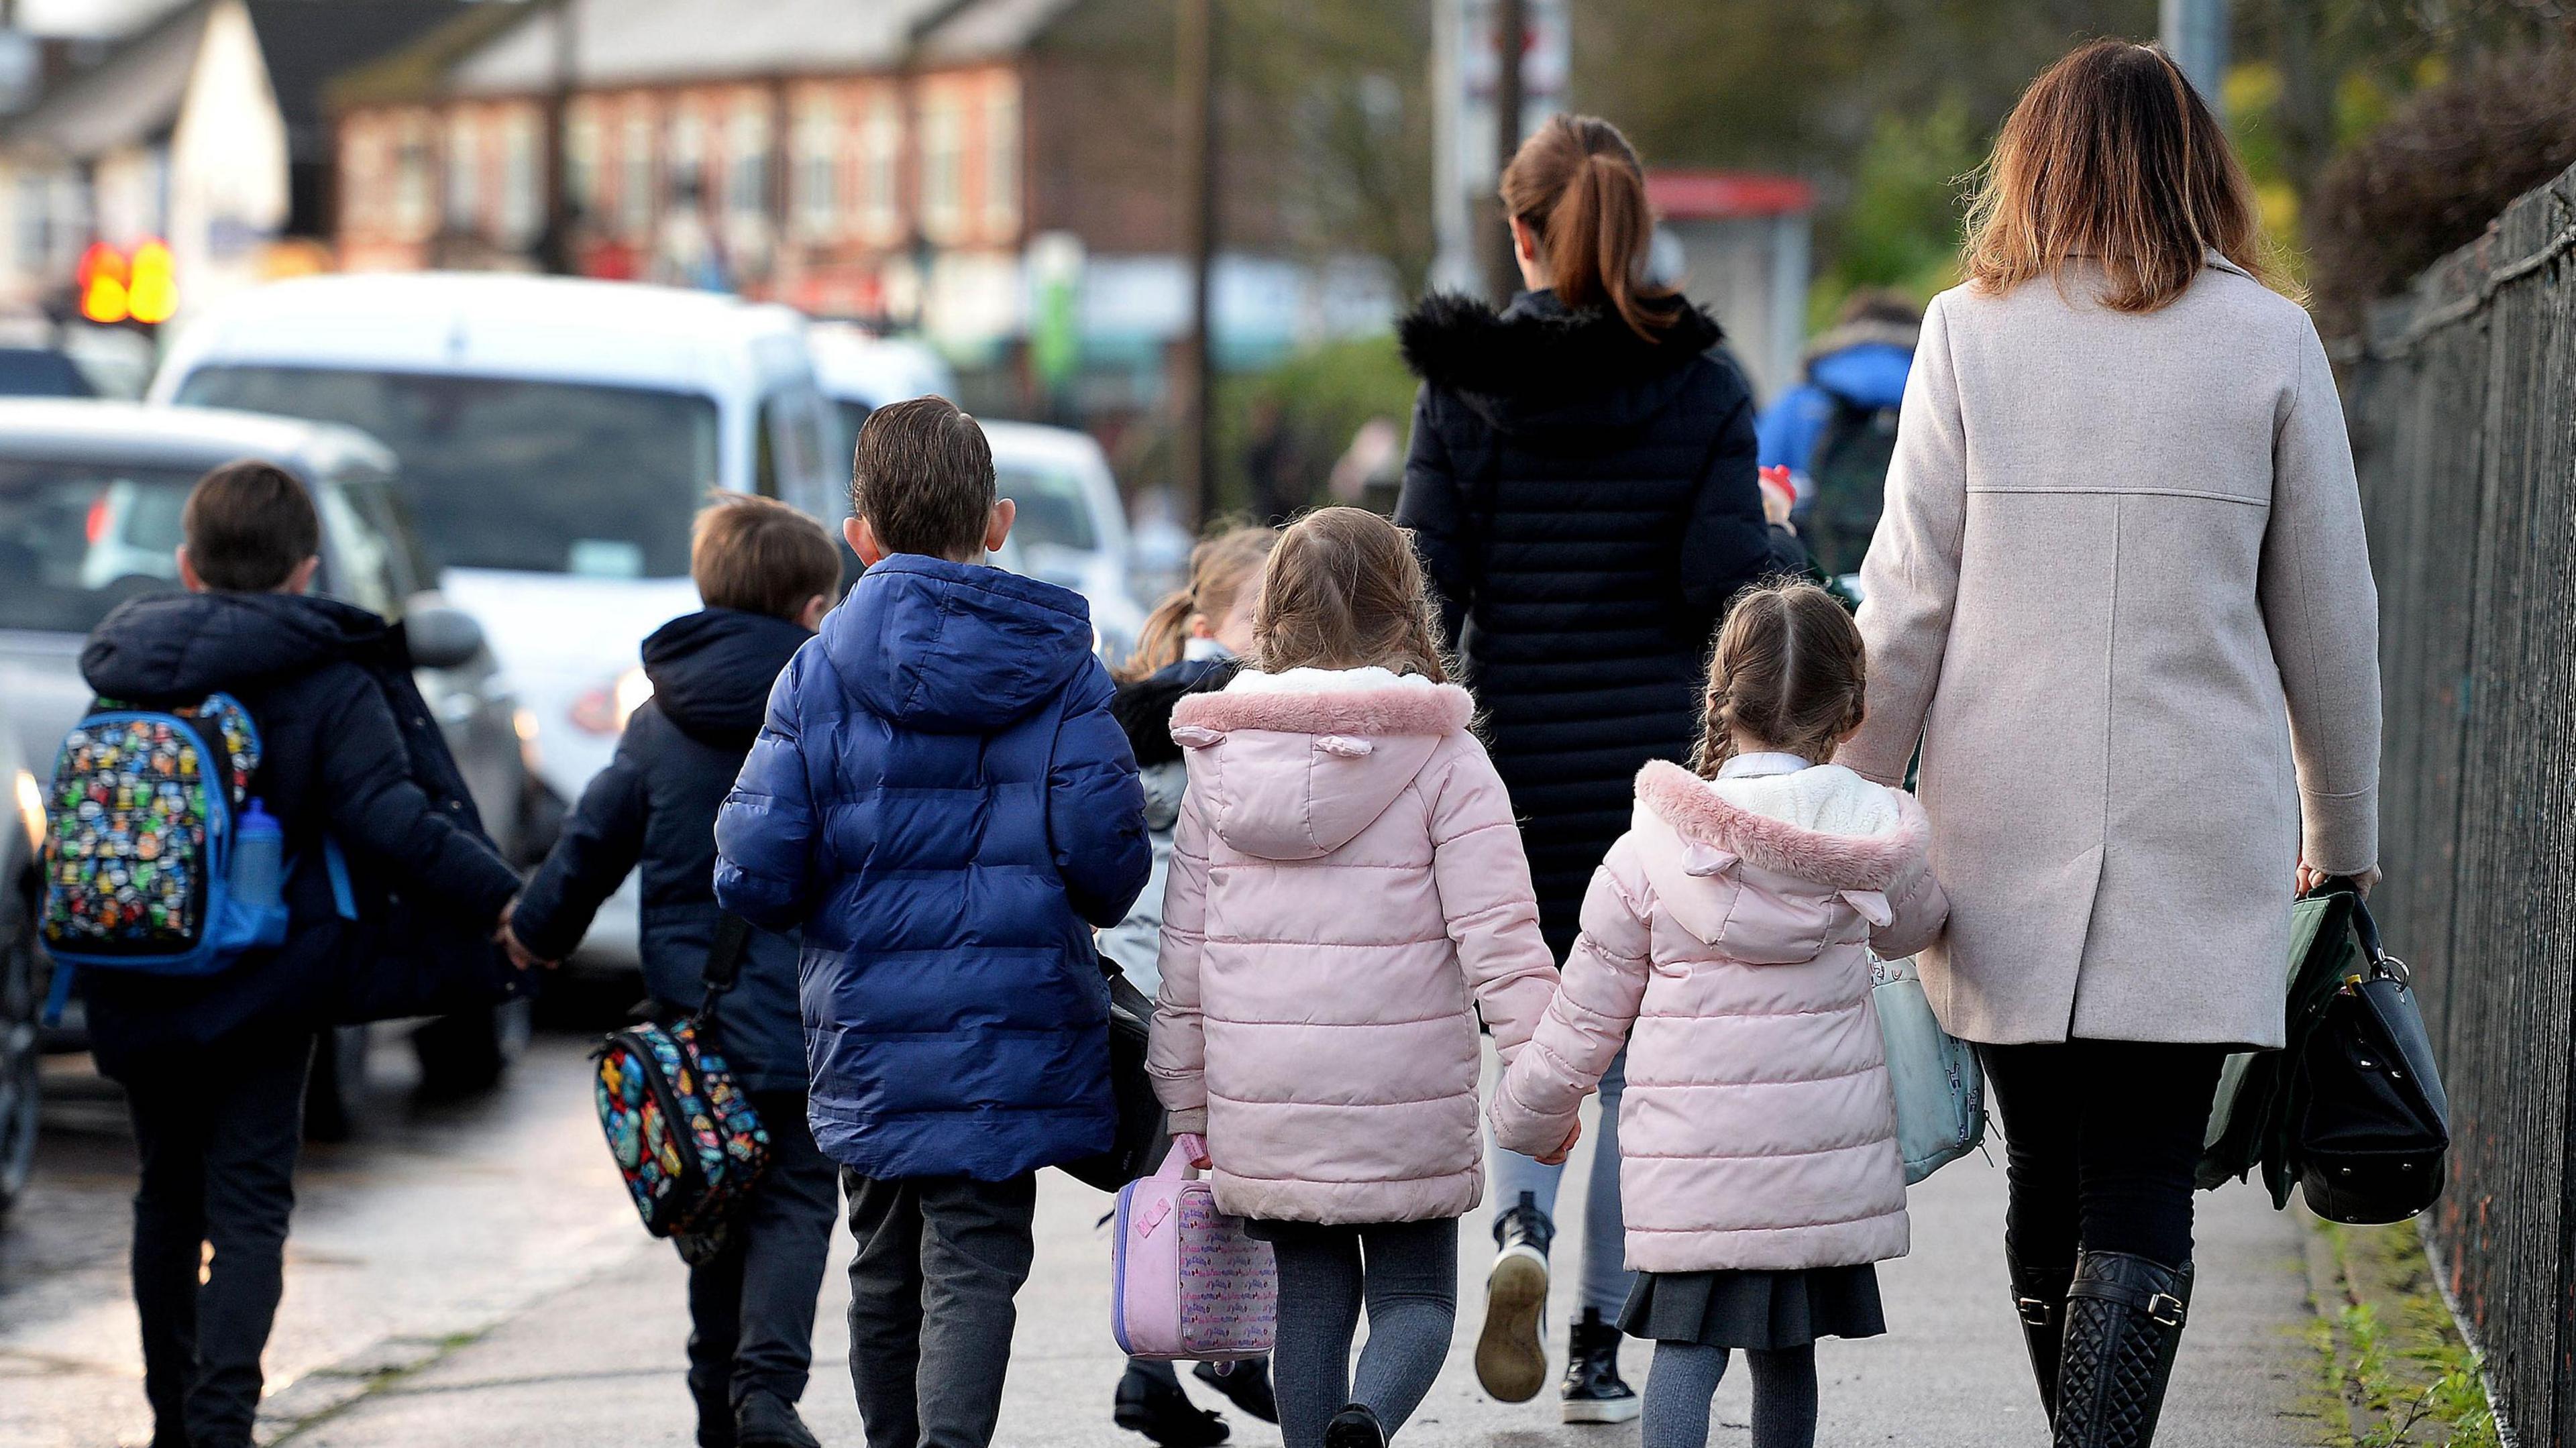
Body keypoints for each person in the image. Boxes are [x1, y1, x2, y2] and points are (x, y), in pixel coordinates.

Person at [1838, 41, 2383, 1447]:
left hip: (2001, 819)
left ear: (2034, 166)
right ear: (2201, 168)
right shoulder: (2271, 336)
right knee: (2143, 1178)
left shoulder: (1968, 330)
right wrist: (2345, 838)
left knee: (2049, 1182)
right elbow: (2329, 618)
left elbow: (1904, 604)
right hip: (2198, 822)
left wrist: (1840, 808)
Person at [1394, 112, 1801, 1421]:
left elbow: (1423, 581)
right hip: (1657, 780)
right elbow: (1717, 579)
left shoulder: (1464, 383)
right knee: (1639, 1067)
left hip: (1516, 773)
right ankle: (1596, 1341)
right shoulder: (1705, 382)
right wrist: (1783, 542)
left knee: (1538, 1025)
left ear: (1520, 232)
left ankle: (1519, 1222)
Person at [713, 395, 1150, 1448]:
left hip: (867, 1026)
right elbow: (1108, 866)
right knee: (976, 1263)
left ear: (858, 534)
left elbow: (754, 871)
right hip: (1012, 1028)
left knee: (881, 1257)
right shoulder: (1060, 672)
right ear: (997, 521)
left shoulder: (814, 674)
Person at [76, 461, 523, 1448]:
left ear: (187, 565)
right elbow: (390, 818)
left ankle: (168, 1420)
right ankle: (222, 1419)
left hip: (137, 964)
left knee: (166, 1188)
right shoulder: (325, 673)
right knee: (245, 1202)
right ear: (307, 569)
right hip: (268, 981)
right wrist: (507, 900)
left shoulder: (124, 663)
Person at [1493, 580, 1947, 1448]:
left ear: (1720, 695)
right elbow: (1922, 925)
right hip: (1817, 1160)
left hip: (1690, 1167)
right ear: (1849, 710)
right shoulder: (1869, 840)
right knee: (1788, 1356)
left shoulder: (1649, 849)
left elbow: (1585, 1016)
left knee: (1685, 1349)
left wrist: (1530, 1115)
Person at [1146, 507, 1561, 1448]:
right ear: (1405, 608)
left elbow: (1185, 951)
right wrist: (1543, 1087)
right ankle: (1366, 1418)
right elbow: (1503, 938)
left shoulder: (1221, 760)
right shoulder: (1447, 757)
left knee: (1309, 1302)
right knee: (1416, 1298)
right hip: (1402, 1096)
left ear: (1275, 618)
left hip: (1268, 1096)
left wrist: (1185, 1096)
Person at [501, 494, 843, 1448]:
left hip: (701, 1022)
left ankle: (717, 1418)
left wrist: (534, 931)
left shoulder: (658, 719)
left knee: (715, 1206)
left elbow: (591, 841)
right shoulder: (829, 706)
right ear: (813, 610)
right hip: (811, 1013)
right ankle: (768, 1395)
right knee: (797, 1199)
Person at [1102, 526, 1282, 1448]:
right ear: (1210, 624)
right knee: (1190, 1167)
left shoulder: (1153, 705)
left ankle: (1200, 1354)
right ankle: (1183, 1358)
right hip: (1172, 977)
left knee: (1186, 1165)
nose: (1274, 634)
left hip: (1149, 970)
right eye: (1260, 616)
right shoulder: (1211, 704)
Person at [1753, 290, 1922, 578]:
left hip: (1816, 577)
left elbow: (1756, 487)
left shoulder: (1798, 402)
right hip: (1907, 573)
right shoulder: (1937, 395)